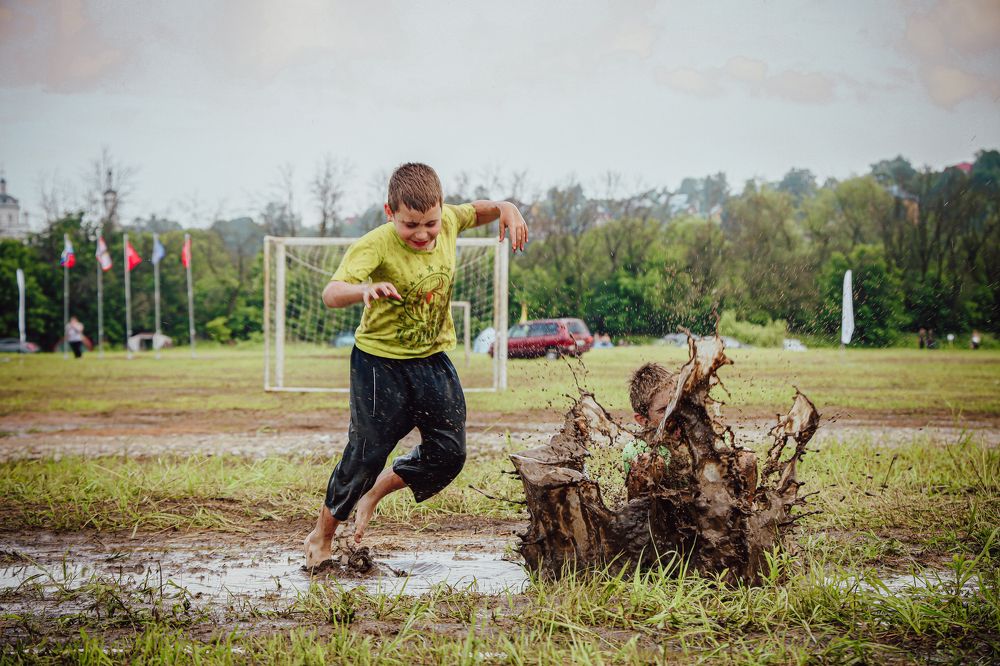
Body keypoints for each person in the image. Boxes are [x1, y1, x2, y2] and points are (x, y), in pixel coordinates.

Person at [304, 163, 529, 567]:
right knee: (365, 455)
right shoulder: (375, 245)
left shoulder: (450, 222)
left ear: (442, 208)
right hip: (379, 363)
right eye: (411, 225)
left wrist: (506, 206)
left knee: (449, 454)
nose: (423, 234)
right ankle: (322, 535)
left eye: (431, 222)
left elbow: (478, 210)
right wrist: (363, 289)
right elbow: (331, 293)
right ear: (390, 213)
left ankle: (374, 494)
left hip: (432, 360)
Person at [626, 362, 757, 501]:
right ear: (643, 420)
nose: (674, 413)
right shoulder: (638, 448)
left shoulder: (700, 434)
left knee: (745, 458)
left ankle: (742, 519)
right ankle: (641, 523)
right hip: (661, 515)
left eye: (676, 403)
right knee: (646, 463)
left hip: (704, 510)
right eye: (663, 410)